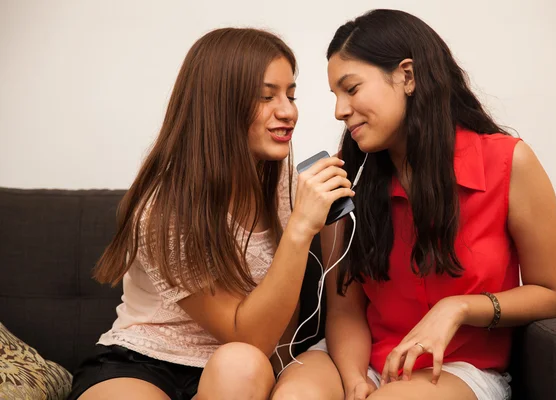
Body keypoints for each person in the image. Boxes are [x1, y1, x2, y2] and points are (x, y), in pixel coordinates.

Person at [274, 9, 556, 400]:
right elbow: (344, 309)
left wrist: (457, 308)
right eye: (335, 96)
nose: (339, 111)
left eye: (352, 89)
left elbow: (553, 292)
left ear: (407, 76)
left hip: (457, 368)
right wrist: (354, 380)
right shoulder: (347, 179)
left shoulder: (509, 163)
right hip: (358, 358)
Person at [67, 27, 354, 400]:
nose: (288, 111)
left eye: (291, 95)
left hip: (239, 374)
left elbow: (274, 336)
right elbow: (245, 332)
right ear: (219, 105)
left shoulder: (279, 183)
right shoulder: (164, 207)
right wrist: (301, 228)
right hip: (143, 363)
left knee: (241, 363)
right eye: (267, 96)